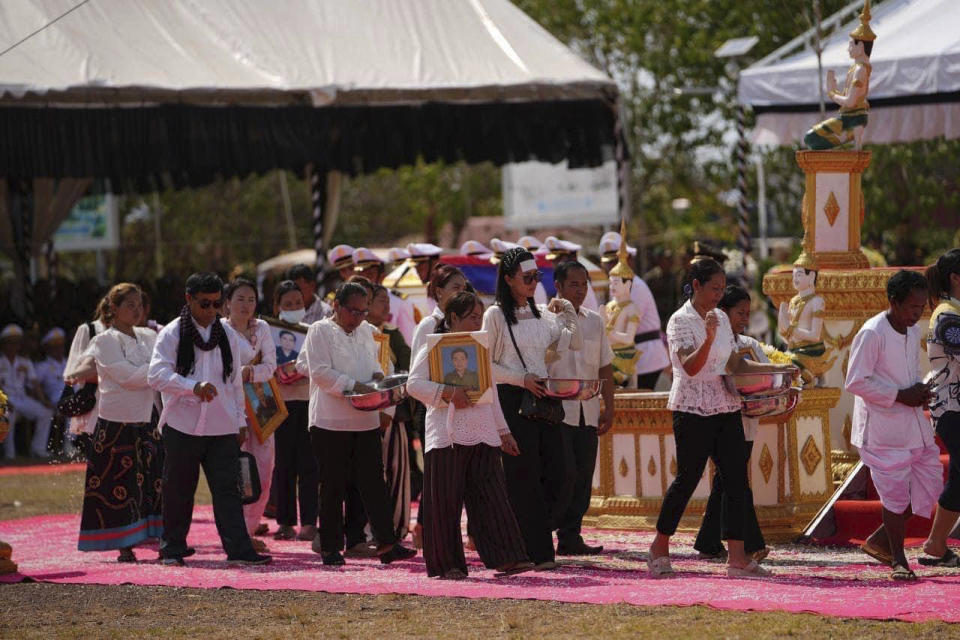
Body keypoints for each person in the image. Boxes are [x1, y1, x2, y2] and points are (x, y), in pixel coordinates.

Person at [648, 257, 791, 578]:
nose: (718, 295)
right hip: (692, 408)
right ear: (696, 286)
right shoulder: (679, 321)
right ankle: (659, 545)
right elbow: (690, 368)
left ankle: (737, 558)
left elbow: (734, 365)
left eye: (721, 289)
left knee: (736, 482)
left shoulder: (721, 319)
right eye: (713, 288)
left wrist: (776, 372)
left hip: (726, 405)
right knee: (687, 479)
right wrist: (709, 337)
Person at [147, 272, 270, 566]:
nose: (212, 311)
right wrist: (193, 387)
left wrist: (240, 420)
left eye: (217, 304)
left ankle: (239, 550)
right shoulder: (172, 333)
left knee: (228, 491)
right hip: (182, 424)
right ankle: (173, 549)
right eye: (205, 304)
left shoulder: (227, 333)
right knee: (178, 490)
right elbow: (156, 375)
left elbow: (235, 384)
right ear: (188, 299)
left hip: (222, 425)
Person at [408, 291, 533, 579]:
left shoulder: (480, 348)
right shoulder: (435, 347)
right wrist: (448, 393)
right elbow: (413, 384)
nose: (479, 322)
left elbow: (492, 395)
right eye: (473, 317)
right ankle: (447, 564)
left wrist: (503, 432)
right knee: (445, 502)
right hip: (447, 434)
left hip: (484, 431)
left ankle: (508, 558)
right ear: (453, 318)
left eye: (480, 316)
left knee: (492, 497)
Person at [297, 281, 417, 566]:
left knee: (374, 483)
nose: (359, 317)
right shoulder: (320, 331)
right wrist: (355, 386)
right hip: (330, 421)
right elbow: (320, 372)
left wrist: (380, 383)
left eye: (363, 311)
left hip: (365, 419)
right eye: (354, 311)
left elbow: (380, 367)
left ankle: (387, 544)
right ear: (336, 307)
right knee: (332, 485)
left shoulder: (368, 331)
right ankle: (329, 547)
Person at [482, 247, 581, 570]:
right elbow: (486, 366)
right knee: (523, 478)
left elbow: (567, 344)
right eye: (527, 278)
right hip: (513, 399)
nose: (534, 283)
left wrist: (567, 312)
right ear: (508, 279)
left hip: (544, 398)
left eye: (537, 277)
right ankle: (538, 552)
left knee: (562, 474)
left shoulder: (541, 313)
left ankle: (530, 533)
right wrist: (520, 378)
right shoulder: (495, 315)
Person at [846, 270, 942, 581]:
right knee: (895, 494)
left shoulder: (913, 332)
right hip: (881, 428)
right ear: (894, 302)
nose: (919, 313)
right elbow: (856, 381)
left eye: (922, 307)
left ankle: (880, 541)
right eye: (913, 307)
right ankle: (898, 559)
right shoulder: (872, 333)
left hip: (912, 421)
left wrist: (920, 392)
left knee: (931, 484)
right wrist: (900, 395)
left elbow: (911, 372)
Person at [77, 283, 163, 562]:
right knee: (118, 484)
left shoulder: (149, 335)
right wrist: (159, 371)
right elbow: (127, 376)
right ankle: (123, 544)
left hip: (148, 416)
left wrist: (156, 371)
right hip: (117, 422)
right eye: (130, 305)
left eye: (139, 305)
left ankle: (161, 537)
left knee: (154, 480)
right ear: (113, 309)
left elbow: (153, 371)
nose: (136, 310)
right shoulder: (104, 341)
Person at [693, 285, 769, 563]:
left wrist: (781, 375)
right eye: (739, 313)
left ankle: (709, 540)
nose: (744, 319)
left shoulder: (751, 344)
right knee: (736, 481)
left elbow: (765, 374)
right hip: (719, 418)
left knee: (726, 482)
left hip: (747, 419)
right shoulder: (715, 344)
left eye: (748, 313)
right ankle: (751, 543)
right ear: (722, 313)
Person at [548, 260, 615, 556]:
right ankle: (545, 530)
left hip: (587, 409)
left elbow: (605, 366)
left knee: (584, 475)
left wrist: (609, 406)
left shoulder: (594, 321)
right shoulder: (544, 320)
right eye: (573, 284)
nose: (580, 290)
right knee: (563, 475)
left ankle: (570, 535)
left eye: (584, 284)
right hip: (558, 411)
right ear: (558, 287)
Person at [224, 278, 279, 553]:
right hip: (231, 406)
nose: (246, 305)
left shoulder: (263, 327)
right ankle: (239, 534)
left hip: (262, 402)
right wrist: (243, 374)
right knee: (238, 469)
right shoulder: (220, 330)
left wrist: (248, 373)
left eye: (250, 299)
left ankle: (252, 525)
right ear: (227, 303)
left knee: (265, 467)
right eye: (240, 299)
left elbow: (271, 366)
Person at [269, 280, 319, 542]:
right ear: (277, 306)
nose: (294, 308)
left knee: (310, 463)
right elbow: (262, 364)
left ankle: (309, 522)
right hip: (281, 404)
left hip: (309, 401)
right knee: (284, 464)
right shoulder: (268, 331)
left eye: (298, 303)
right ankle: (285, 521)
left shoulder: (313, 331)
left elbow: (320, 365)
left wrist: (299, 370)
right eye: (288, 304)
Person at [920, 250, 960, 567]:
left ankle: (935, 544)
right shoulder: (947, 315)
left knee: (958, 480)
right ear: (956, 278)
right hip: (952, 409)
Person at [367, 282, 413, 542]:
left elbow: (403, 373)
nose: (387, 305)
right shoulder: (358, 333)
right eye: (380, 300)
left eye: (387, 300)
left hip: (393, 415)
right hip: (363, 415)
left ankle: (396, 528)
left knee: (396, 469)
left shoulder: (393, 334)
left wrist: (390, 410)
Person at [599, 232, 670, 390]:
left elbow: (623, 328)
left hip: (645, 359)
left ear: (628, 260)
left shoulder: (633, 286)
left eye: (616, 261)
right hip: (629, 359)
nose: (612, 266)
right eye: (608, 262)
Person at [804, 2, 875, 150]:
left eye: (851, 45)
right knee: (810, 138)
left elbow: (850, 102)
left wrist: (832, 94)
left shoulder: (860, 70)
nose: (848, 49)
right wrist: (836, 91)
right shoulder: (858, 68)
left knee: (811, 138)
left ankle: (850, 140)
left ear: (860, 47)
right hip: (849, 117)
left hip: (852, 118)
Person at [0, 324, 53, 459]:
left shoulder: (24, 362)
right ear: (4, 345)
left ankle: (38, 448)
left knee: (46, 412)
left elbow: (35, 384)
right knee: (8, 416)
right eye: (10, 343)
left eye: (16, 343)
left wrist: (43, 401)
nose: (13, 347)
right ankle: (10, 454)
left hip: (22, 398)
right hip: (6, 399)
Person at [353, 247, 417, 345]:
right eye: (361, 275)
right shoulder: (350, 301)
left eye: (369, 275)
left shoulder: (399, 302)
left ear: (382, 276)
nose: (365, 281)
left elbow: (408, 340)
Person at [543, 236, 599, 311]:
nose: (553, 263)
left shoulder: (581, 284)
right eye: (552, 260)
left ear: (570, 259)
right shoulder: (563, 281)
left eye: (558, 259)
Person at [35, 328, 68, 455]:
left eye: (60, 346)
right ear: (48, 349)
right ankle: (67, 445)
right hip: (54, 401)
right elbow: (33, 386)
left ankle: (72, 445)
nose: (59, 349)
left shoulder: (69, 362)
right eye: (55, 347)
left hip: (72, 397)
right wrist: (44, 400)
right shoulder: (43, 366)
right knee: (72, 408)